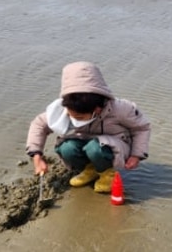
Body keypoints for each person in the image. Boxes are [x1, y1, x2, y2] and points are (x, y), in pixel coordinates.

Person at [26, 61, 151, 193]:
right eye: (69, 113)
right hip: (83, 142)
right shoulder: (65, 107)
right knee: (67, 148)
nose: (71, 117)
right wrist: (37, 157)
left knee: (95, 148)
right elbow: (39, 124)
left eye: (79, 117)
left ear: (96, 110)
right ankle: (89, 170)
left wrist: (136, 155)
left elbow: (141, 128)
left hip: (113, 147)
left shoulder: (121, 109)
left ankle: (107, 174)